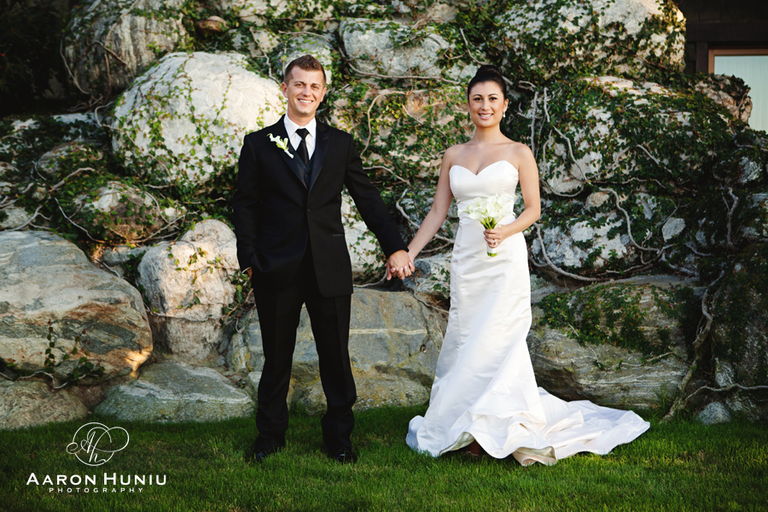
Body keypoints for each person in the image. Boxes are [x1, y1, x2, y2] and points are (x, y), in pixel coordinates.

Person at [405, 65, 650, 465]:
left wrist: (504, 230)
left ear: (504, 105)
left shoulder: (519, 152)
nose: (485, 106)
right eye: (477, 99)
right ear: (468, 105)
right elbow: (437, 212)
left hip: (504, 258)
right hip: (467, 259)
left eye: (492, 99)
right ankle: (465, 422)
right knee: (467, 336)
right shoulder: (454, 155)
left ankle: (495, 425)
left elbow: (533, 209)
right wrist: (410, 253)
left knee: (499, 337)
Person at [232, 55, 413, 464]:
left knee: (335, 356)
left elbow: (367, 198)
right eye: (299, 84)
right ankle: (269, 436)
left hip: (328, 266)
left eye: (314, 86)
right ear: (285, 88)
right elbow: (245, 205)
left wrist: (394, 246)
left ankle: (339, 439)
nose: (306, 92)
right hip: (275, 266)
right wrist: (250, 258)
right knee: (277, 357)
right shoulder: (259, 144)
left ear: (323, 93)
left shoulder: (341, 144)